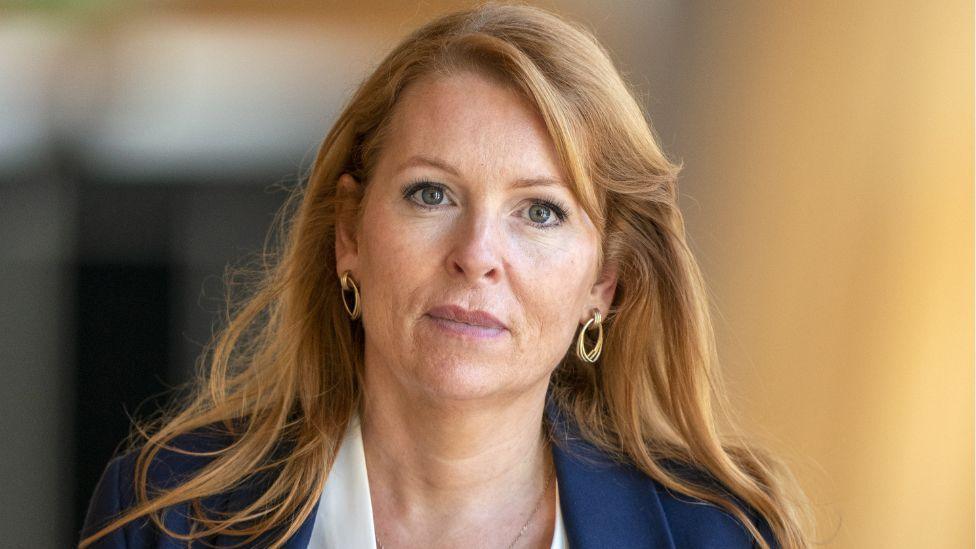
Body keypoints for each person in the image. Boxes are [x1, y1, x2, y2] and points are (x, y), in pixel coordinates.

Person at [79, 3, 813, 548]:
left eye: (541, 212)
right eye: (431, 193)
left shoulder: (715, 536)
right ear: (349, 235)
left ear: (605, 281)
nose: (477, 253)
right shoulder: (166, 515)